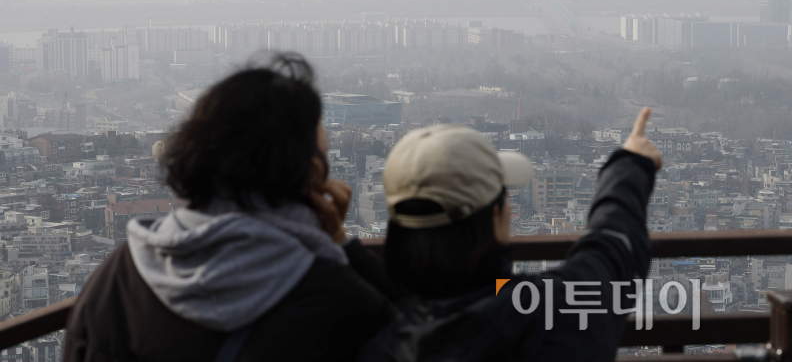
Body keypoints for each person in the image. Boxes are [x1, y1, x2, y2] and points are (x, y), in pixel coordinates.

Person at [65, 54, 395, 362]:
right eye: (325, 156)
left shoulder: (118, 279)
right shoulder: (341, 304)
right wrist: (341, 246)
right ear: (310, 177)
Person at [367, 107, 662, 362]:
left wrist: (342, 244)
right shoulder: (547, 316)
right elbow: (611, 251)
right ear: (495, 218)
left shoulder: (383, 343)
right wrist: (631, 164)